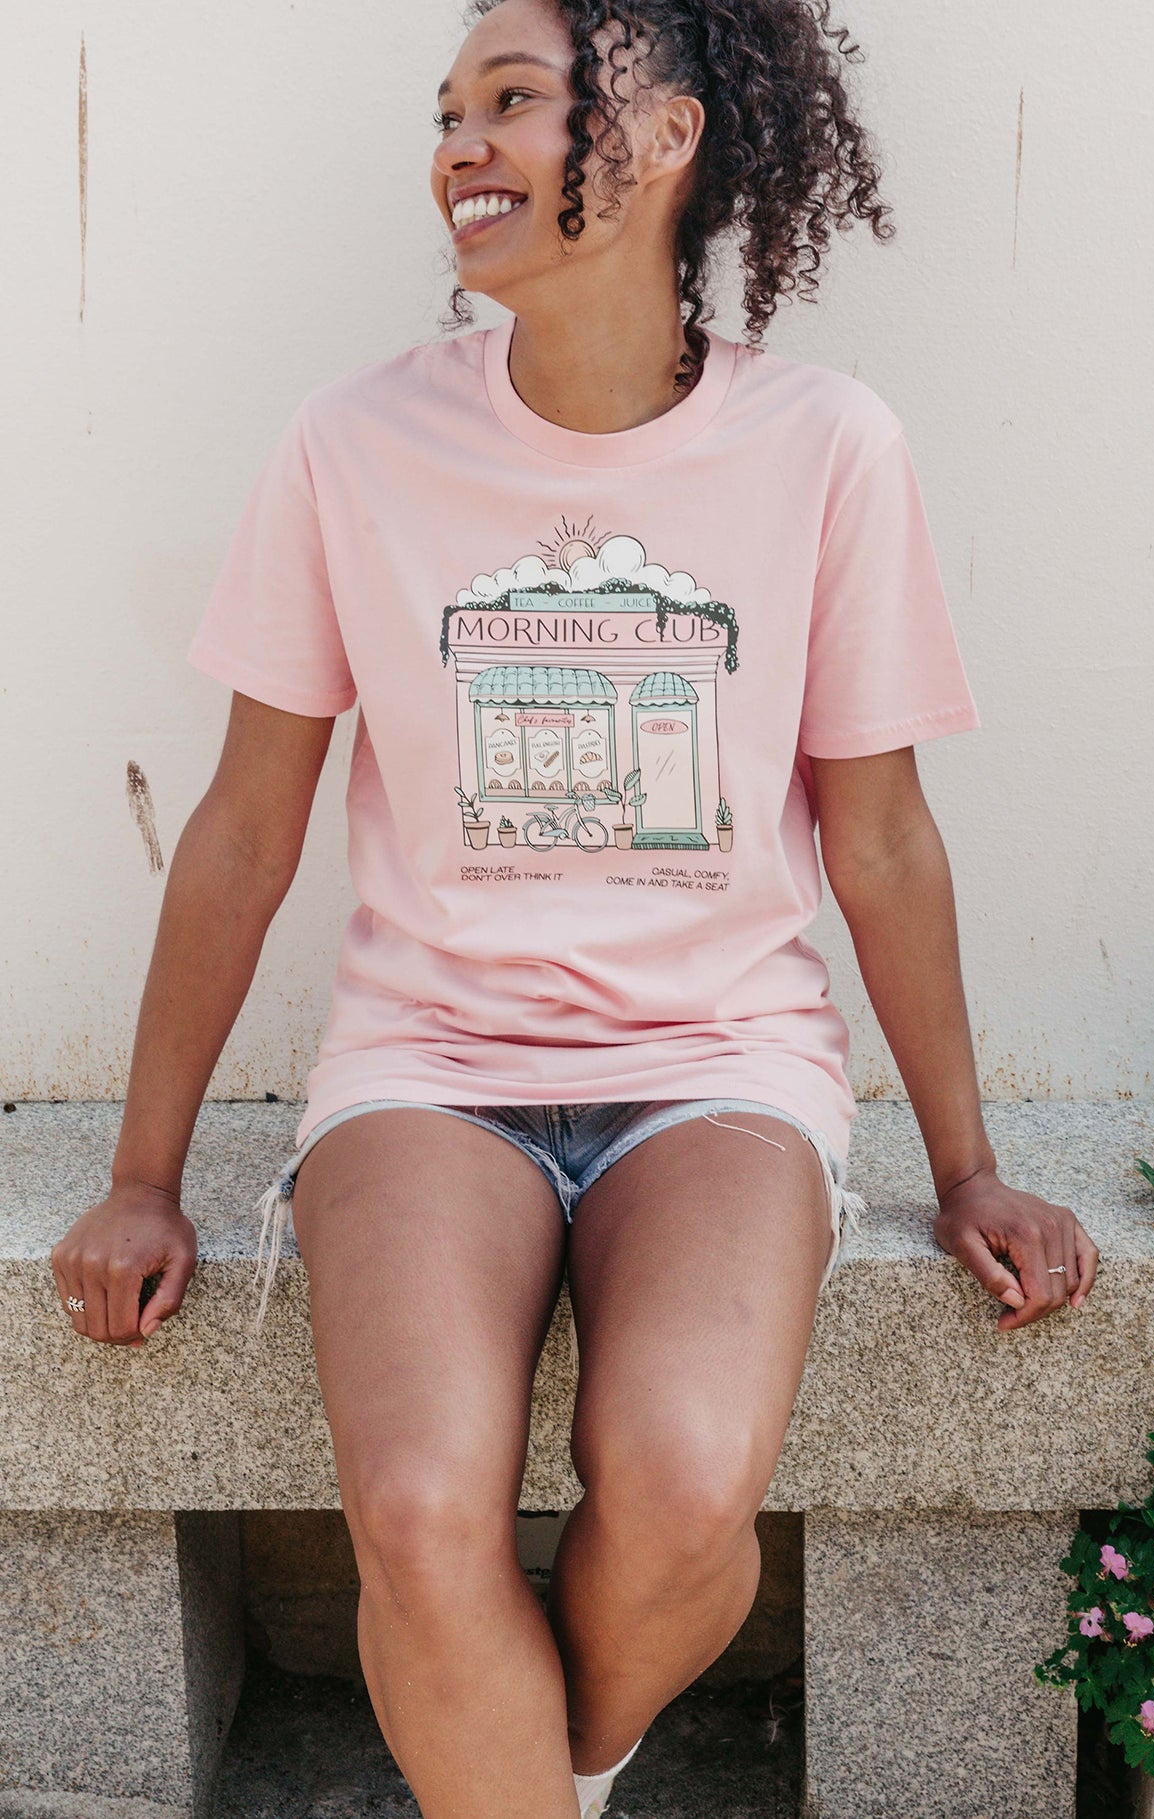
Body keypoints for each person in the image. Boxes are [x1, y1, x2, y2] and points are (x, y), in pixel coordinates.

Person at [50, 0, 1100, 1813]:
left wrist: (967, 1167)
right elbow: (241, 829)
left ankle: (557, 1771)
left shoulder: (827, 447)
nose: (462, 143)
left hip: (716, 1065)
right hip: (430, 1067)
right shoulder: (352, 444)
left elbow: (885, 841)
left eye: (515, 102)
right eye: (448, 111)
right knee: (415, 1504)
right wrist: (144, 1174)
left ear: (670, 135)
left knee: (691, 1488)